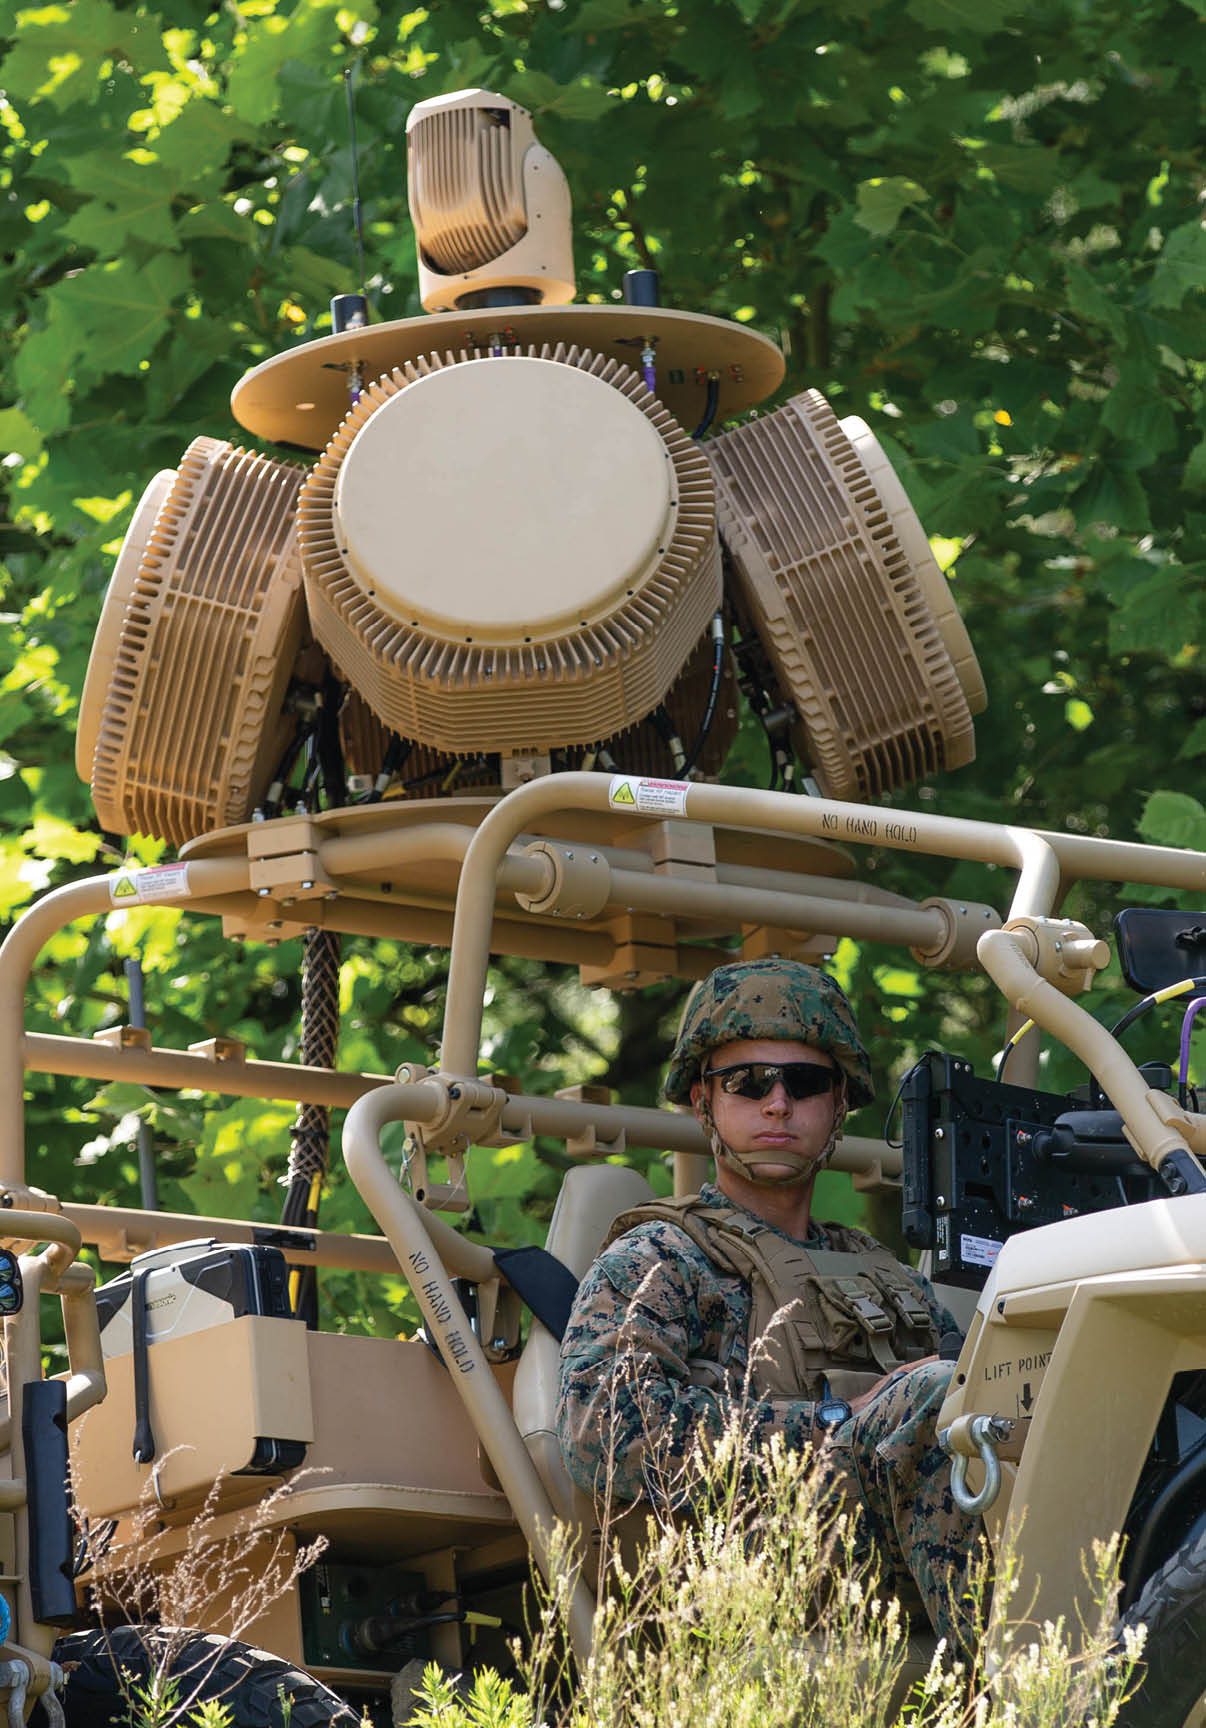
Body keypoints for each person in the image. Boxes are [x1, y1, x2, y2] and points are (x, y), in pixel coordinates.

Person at [556, 957, 981, 1645]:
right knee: (937, 1398)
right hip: (754, 1568)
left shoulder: (889, 1275)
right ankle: (1021, 1681)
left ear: (838, 1105)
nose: (778, 1104)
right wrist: (836, 1422)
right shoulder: (662, 1258)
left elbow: (982, 1403)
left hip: (902, 1559)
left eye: (805, 1084)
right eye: (747, 1083)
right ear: (705, 1102)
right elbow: (601, 1435)